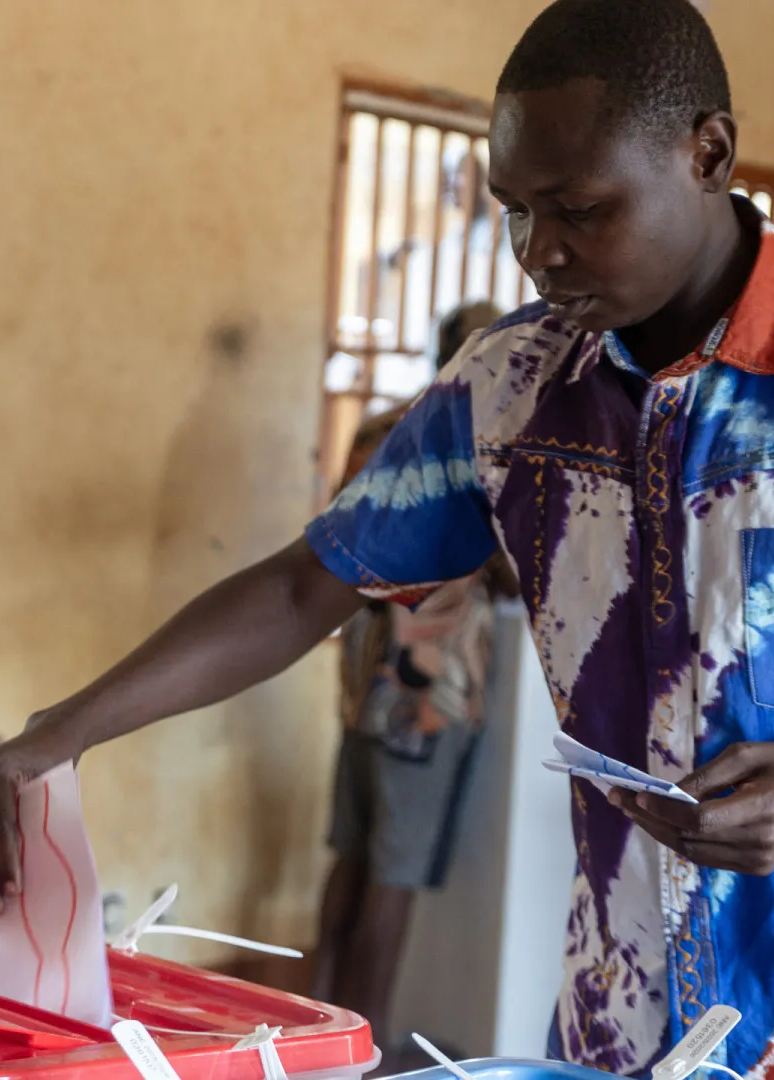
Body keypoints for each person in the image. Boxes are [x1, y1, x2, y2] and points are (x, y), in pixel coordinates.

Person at [0, 0, 774, 1075]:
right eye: (516, 208)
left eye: (578, 208)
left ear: (707, 154)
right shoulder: (510, 389)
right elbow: (312, 584)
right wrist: (62, 732)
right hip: (628, 1014)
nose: (536, 250)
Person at [310, 303, 509, 1060]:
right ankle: (364, 1052)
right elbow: (507, 571)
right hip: (430, 687)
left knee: (351, 856)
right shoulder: (475, 443)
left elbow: (332, 539)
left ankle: (310, 1034)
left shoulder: (378, 428)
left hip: (364, 673)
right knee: (394, 873)